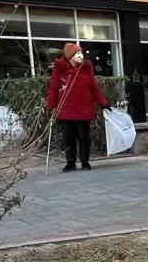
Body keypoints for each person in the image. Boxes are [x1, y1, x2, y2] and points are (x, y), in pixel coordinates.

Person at [46, 42, 111, 173]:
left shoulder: (86, 69)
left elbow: (94, 88)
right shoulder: (60, 70)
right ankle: (70, 162)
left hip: (84, 109)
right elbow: (53, 88)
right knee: (69, 137)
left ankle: (85, 161)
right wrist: (51, 105)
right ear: (70, 56)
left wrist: (103, 103)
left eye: (81, 53)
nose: (80, 55)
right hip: (67, 109)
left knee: (84, 137)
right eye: (77, 53)